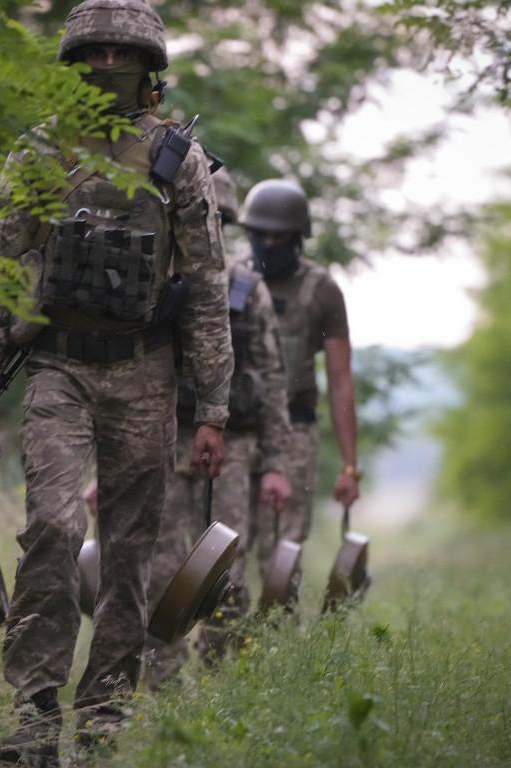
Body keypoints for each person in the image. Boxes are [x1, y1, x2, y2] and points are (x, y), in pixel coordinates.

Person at [0, 0, 232, 764]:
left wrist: (211, 407)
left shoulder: (181, 160)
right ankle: (37, 711)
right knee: (52, 523)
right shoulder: (41, 152)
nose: (109, 62)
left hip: (146, 374)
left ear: (149, 65)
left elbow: (207, 288)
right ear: (76, 60)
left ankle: (106, 712)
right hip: (58, 368)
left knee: (130, 549)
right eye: (96, 51)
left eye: (123, 51)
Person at [142, 169, 292, 687]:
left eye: (217, 218)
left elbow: (272, 381)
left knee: (224, 570)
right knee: (159, 567)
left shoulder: (249, 290)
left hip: (233, 448)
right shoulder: (154, 279)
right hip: (165, 438)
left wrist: (274, 464)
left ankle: (222, 683)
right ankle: (159, 684)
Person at [237, 178, 361, 575]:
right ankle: (224, 637)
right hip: (237, 428)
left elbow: (341, 380)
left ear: (297, 237)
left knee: (283, 548)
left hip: (295, 429)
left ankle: (278, 634)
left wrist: (348, 466)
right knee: (227, 541)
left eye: (279, 236)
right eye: (260, 235)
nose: (268, 243)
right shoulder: (231, 280)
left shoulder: (321, 289)